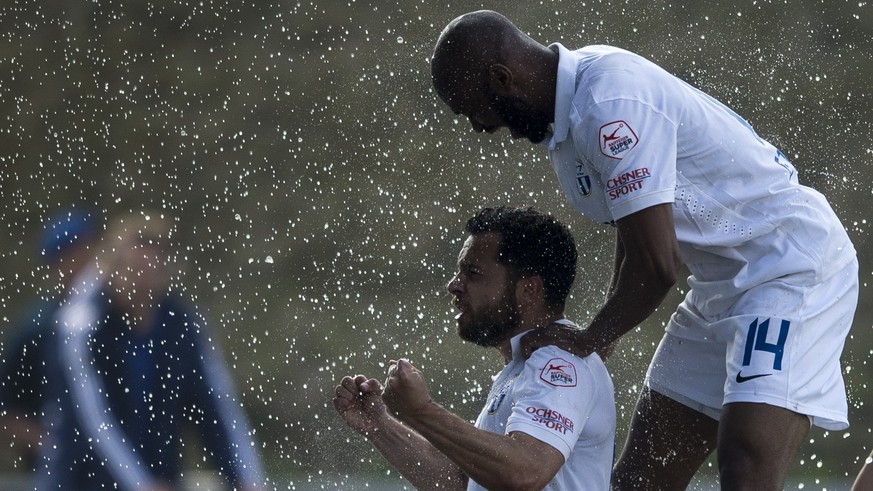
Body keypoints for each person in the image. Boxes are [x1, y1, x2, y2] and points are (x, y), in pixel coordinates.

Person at [431, 11, 858, 491]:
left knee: (743, 459)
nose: (480, 127)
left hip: (791, 268)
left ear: (502, 78)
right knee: (639, 482)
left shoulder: (609, 100)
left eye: (474, 110)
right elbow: (633, 228)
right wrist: (604, 334)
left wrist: (593, 337)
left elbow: (657, 265)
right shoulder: (568, 126)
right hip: (719, 287)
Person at [333, 206, 615, 490]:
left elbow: (525, 473)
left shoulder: (559, 362)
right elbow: (461, 483)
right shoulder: (522, 366)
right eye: (460, 272)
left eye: (473, 273)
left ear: (529, 290)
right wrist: (380, 426)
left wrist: (421, 412)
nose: (454, 285)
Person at [36, 211, 266, 490]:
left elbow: (216, 408)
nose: (142, 285)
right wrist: (141, 484)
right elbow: (95, 421)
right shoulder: (82, 325)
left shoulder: (182, 324)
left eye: (152, 272)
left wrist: (245, 478)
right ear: (112, 268)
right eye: (134, 272)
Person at [0, 206, 101, 466]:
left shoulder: (111, 315)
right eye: (80, 252)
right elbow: (7, 409)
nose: (91, 260)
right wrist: (56, 446)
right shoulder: (37, 326)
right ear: (60, 262)